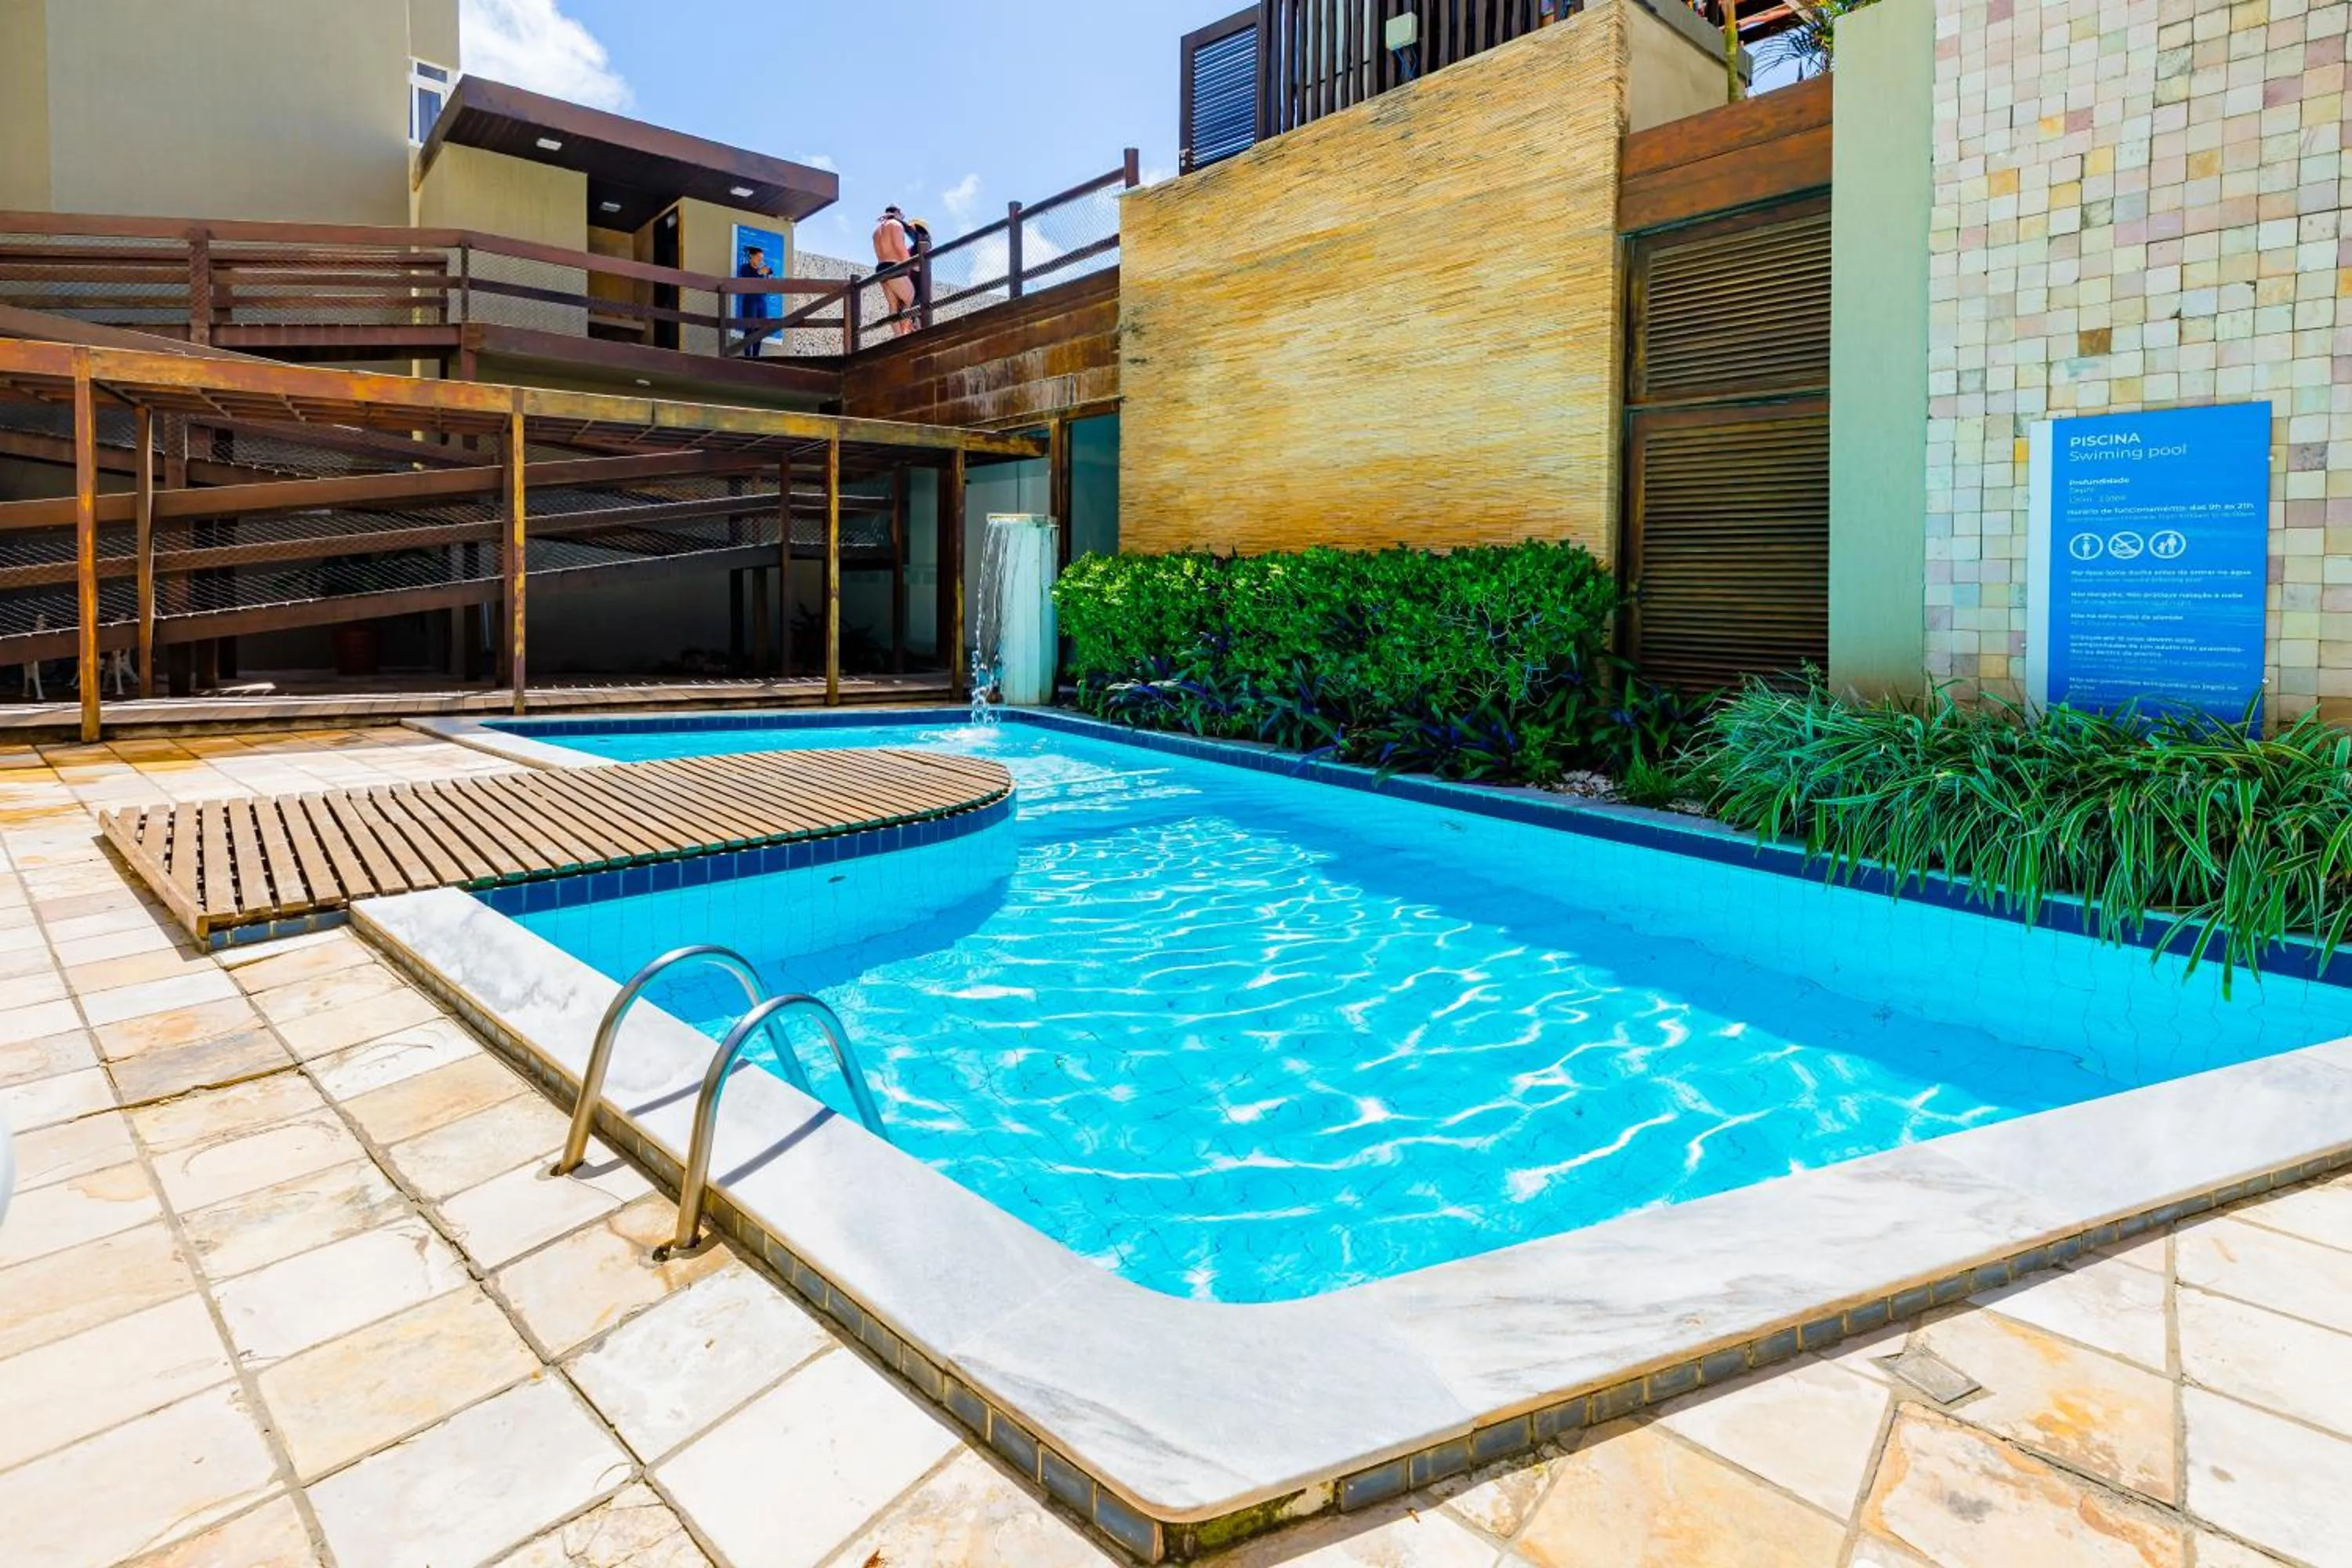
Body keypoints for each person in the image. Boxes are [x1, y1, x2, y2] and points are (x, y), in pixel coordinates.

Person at [736, 243, 776, 358]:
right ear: (751, 257)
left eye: (762, 258)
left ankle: (756, 357)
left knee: (760, 331)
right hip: (750, 302)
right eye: (758, 257)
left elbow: (770, 283)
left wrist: (769, 275)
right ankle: (747, 357)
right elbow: (747, 280)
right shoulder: (744, 268)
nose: (760, 260)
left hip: (762, 302)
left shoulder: (763, 270)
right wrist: (759, 272)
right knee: (749, 329)